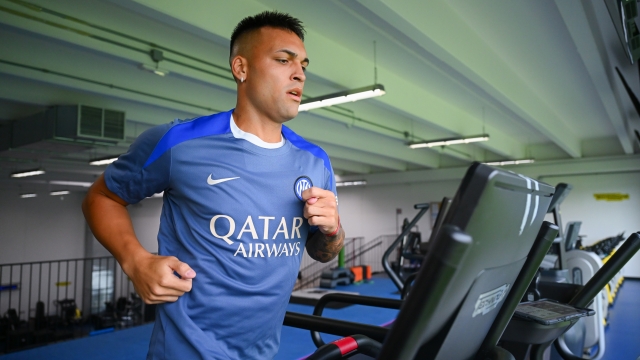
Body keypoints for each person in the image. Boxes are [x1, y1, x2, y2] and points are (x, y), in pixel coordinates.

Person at [82, 11, 344, 359]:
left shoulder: (315, 161)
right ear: (241, 68)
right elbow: (101, 197)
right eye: (284, 60)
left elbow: (322, 251)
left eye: (304, 65)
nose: (299, 73)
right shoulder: (178, 143)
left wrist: (333, 231)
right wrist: (135, 261)